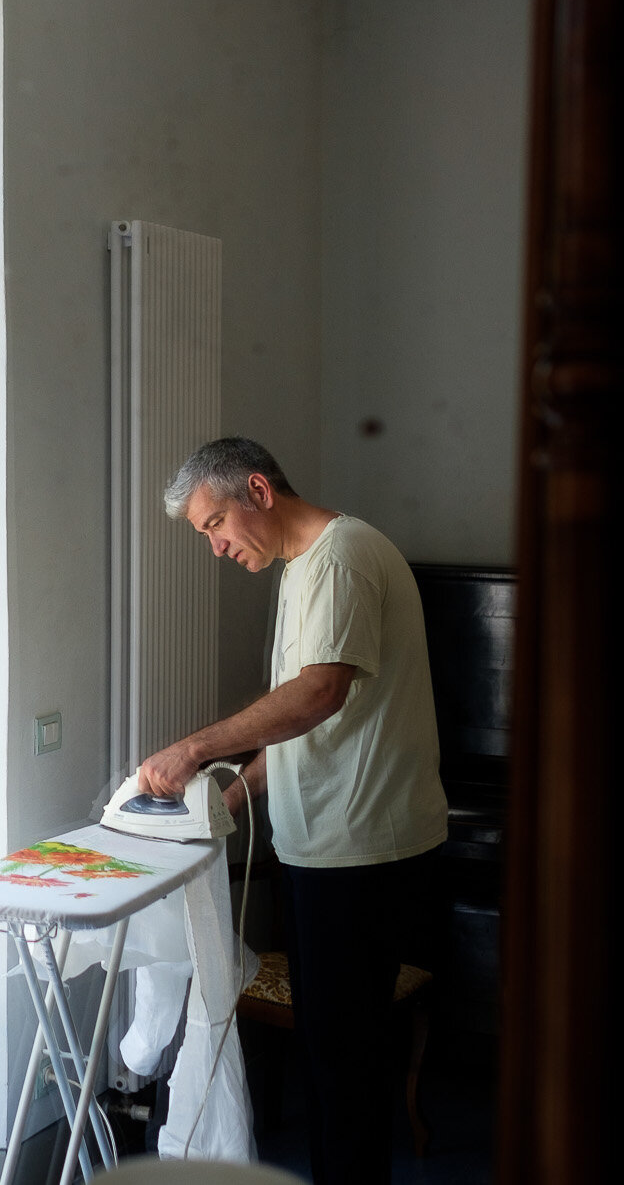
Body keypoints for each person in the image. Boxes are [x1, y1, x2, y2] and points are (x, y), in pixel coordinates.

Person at [136, 436, 446, 1185]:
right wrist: (230, 796)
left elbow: (318, 693)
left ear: (258, 491)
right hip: (326, 848)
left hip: (361, 851)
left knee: (344, 1069)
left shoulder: (340, 557)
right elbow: (301, 722)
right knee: (333, 1060)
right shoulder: (303, 566)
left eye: (215, 524)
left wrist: (194, 750)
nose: (215, 546)